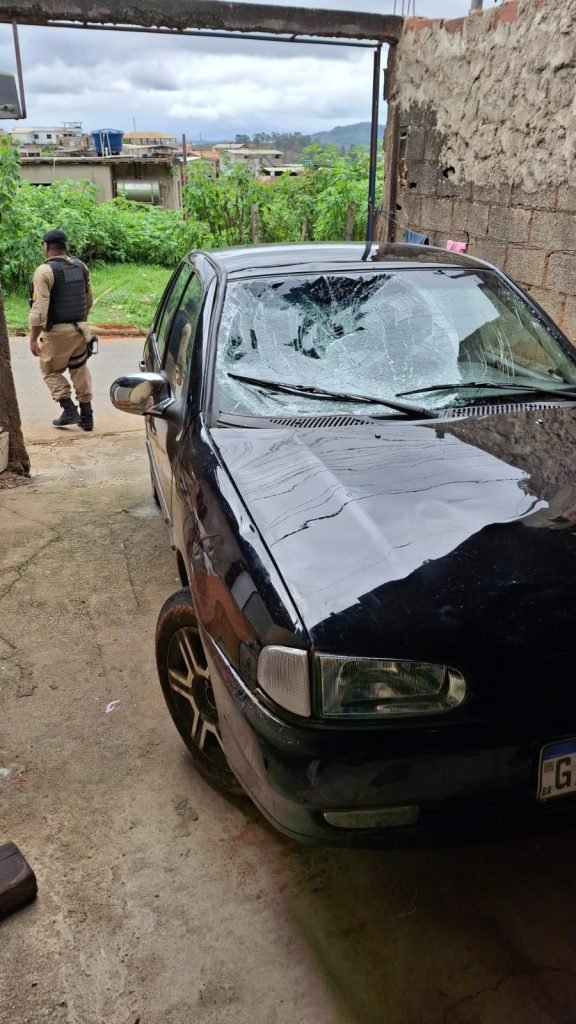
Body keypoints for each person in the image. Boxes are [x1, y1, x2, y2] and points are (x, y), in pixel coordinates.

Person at [29, 229, 95, 430]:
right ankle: (87, 416)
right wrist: (82, 323)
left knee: (49, 370)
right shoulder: (80, 267)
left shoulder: (44, 271)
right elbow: (88, 300)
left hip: (57, 332)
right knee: (79, 368)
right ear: (65, 246)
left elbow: (40, 310)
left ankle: (68, 409)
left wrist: (33, 338)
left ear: (47, 246)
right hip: (81, 330)